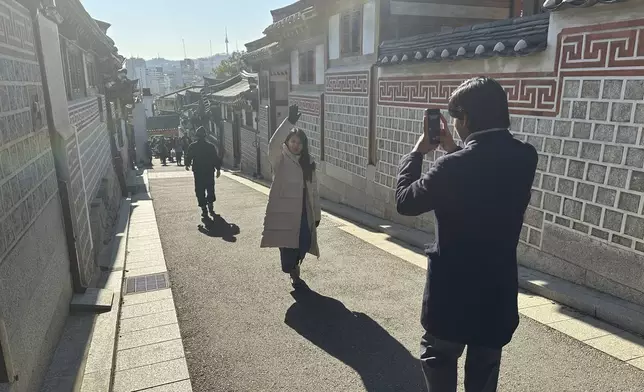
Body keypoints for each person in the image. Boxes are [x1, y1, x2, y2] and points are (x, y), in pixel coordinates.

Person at [395, 77, 537, 392]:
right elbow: (484, 171)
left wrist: (417, 153)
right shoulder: (526, 157)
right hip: (496, 294)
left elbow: (405, 201)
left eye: (456, 118)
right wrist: (454, 149)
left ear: (466, 118)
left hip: (451, 297)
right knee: (485, 367)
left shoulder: (451, 168)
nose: (455, 125)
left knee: (439, 358)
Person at [260, 104, 321, 289]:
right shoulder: (280, 159)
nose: (296, 145)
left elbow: (314, 191)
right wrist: (289, 123)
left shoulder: (308, 163)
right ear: (287, 142)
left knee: (303, 242)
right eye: (292, 141)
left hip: (303, 210)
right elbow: (272, 144)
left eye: (299, 142)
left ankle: (296, 265)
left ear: (304, 145)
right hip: (284, 213)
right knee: (287, 246)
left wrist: (316, 214)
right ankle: (292, 271)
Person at [185, 127, 222, 218]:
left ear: (197, 136)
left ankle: (204, 209)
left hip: (198, 171)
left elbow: (189, 156)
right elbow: (215, 158)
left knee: (199, 190)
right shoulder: (210, 146)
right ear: (205, 136)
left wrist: (187, 164)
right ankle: (210, 206)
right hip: (209, 170)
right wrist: (218, 169)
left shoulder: (193, 146)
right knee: (210, 188)